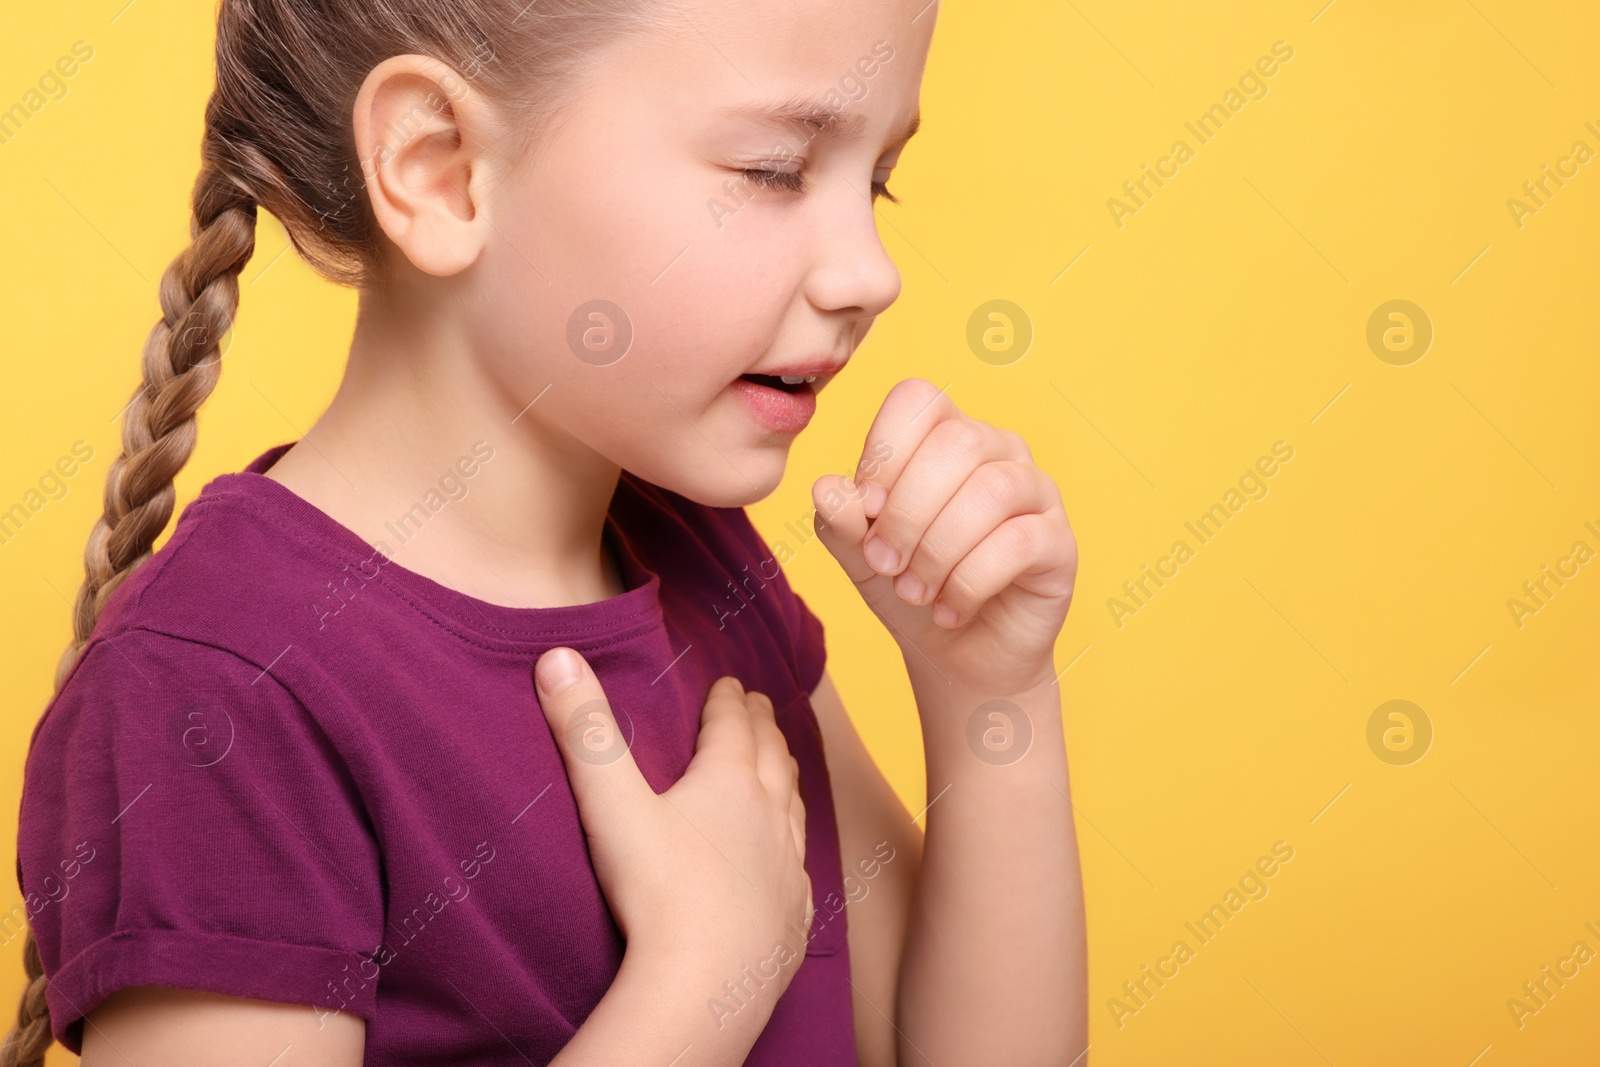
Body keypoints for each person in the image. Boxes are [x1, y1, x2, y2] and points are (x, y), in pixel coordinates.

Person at [8, 1, 1087, 1064]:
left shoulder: (701, 554)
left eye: (878, 176)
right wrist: (701, 981)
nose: (869, 272)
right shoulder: (219, 692)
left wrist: (988, 690)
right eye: (774, 169)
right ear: (440, 167)